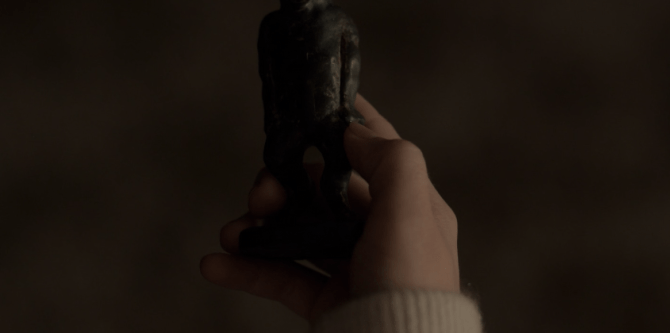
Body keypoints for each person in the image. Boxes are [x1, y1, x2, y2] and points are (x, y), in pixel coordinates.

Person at [199, 95, 483, 332]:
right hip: (293, 118)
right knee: (284, 167)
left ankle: (317, 212)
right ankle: (294, 216)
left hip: (330, 120)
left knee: (331, 178)